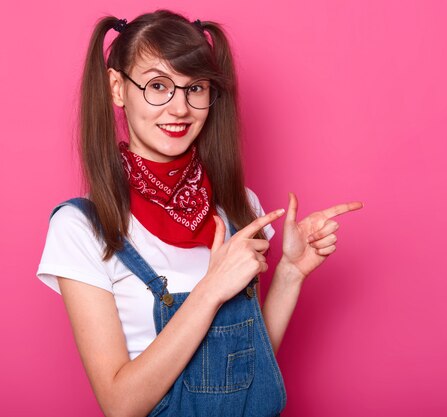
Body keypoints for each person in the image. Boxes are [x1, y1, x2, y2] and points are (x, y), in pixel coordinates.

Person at [36, 9, 362, 417]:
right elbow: (120, 405)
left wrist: (290, 274)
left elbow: (245, 371)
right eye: (158, 86)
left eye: (196, 89)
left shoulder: (239, 205)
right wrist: (211, 288)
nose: (179, 109)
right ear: (117, 88)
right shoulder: (82, 226)